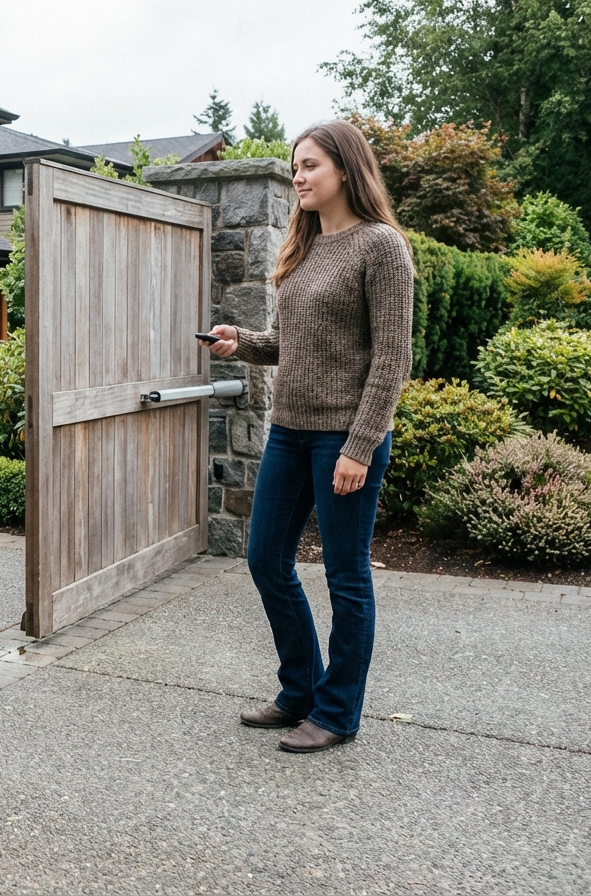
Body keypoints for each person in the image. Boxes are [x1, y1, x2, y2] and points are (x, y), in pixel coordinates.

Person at [201, 119, 414, 754]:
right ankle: (299, 690)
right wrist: (242, 343)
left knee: (346, 576)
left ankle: (338, 712)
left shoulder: (381, 246)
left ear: (346, 169)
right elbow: (290, 343)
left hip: (345, 436)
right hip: (289, 432)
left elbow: (391, 358)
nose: (298, 175)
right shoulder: (306, 243)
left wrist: (360, 445)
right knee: (265, 559)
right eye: (295, 166)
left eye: (310, 165)